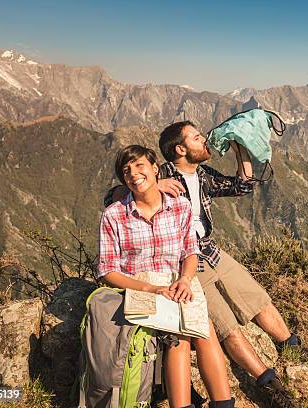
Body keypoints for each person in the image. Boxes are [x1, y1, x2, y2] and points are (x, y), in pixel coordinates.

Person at [107, 121, 301, 408]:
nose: (206, 141)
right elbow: (115, 194)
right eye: (198, 138)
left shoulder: (202, 174)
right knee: (224, 327)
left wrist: (240, 148)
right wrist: (154, 185)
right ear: (181, 149)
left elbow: (242, 185)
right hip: (187, 261)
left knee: (257, 299)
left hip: (210, 250)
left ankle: (293, 349)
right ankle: (268, 382)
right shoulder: (161, 172)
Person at [98, 145, 234, 408]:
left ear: (155, 170)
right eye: (126, 171)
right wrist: (150, 288)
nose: (133, 173)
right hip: (140, 284)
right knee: (179, 336)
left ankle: (224, 404)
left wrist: (185, 279)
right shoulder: (114, 215)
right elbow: (107, 271)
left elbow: (190, 251)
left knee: (204, 329)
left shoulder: (180, 207)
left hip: (177, 280)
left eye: (139, 166)